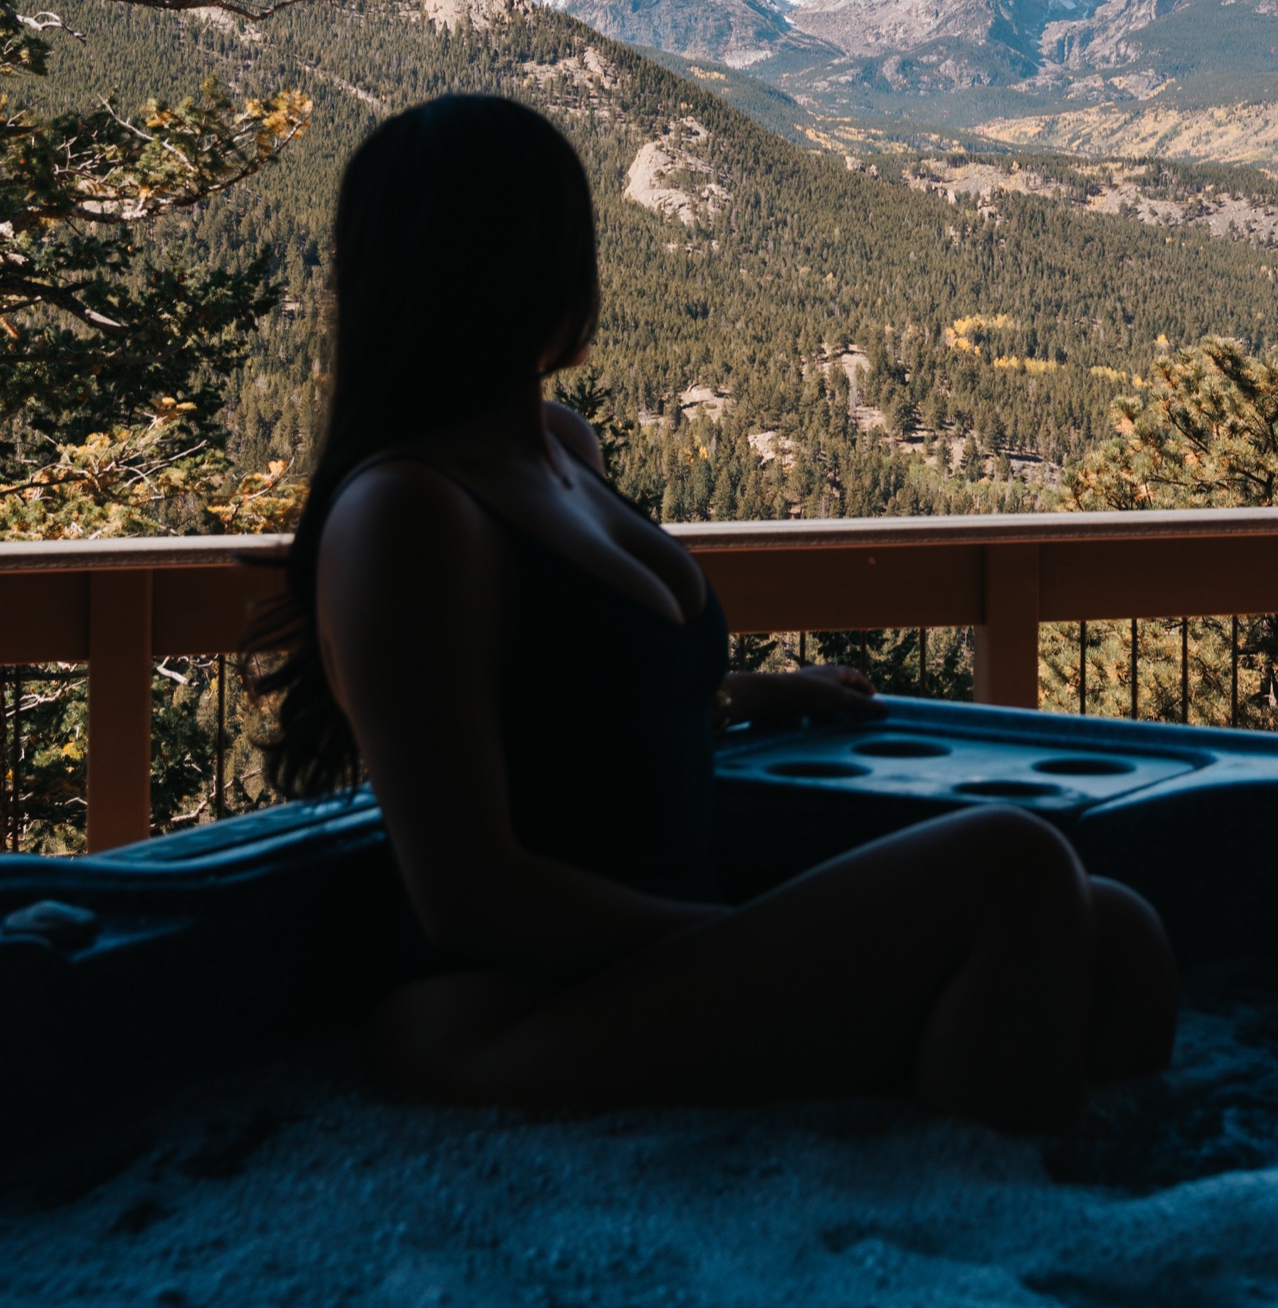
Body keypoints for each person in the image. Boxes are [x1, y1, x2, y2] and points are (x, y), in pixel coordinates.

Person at [255, 94, 1177, 1133]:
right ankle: (989, 1238)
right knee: (1010, 868)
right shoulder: (408, 512)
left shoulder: (560, 446)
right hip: (509, 1012)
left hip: (658, 958)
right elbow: (470, 896)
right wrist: (754, 936)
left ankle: (1058, 1213)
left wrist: (749, 692)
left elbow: (571, 706)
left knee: (1120, 938)